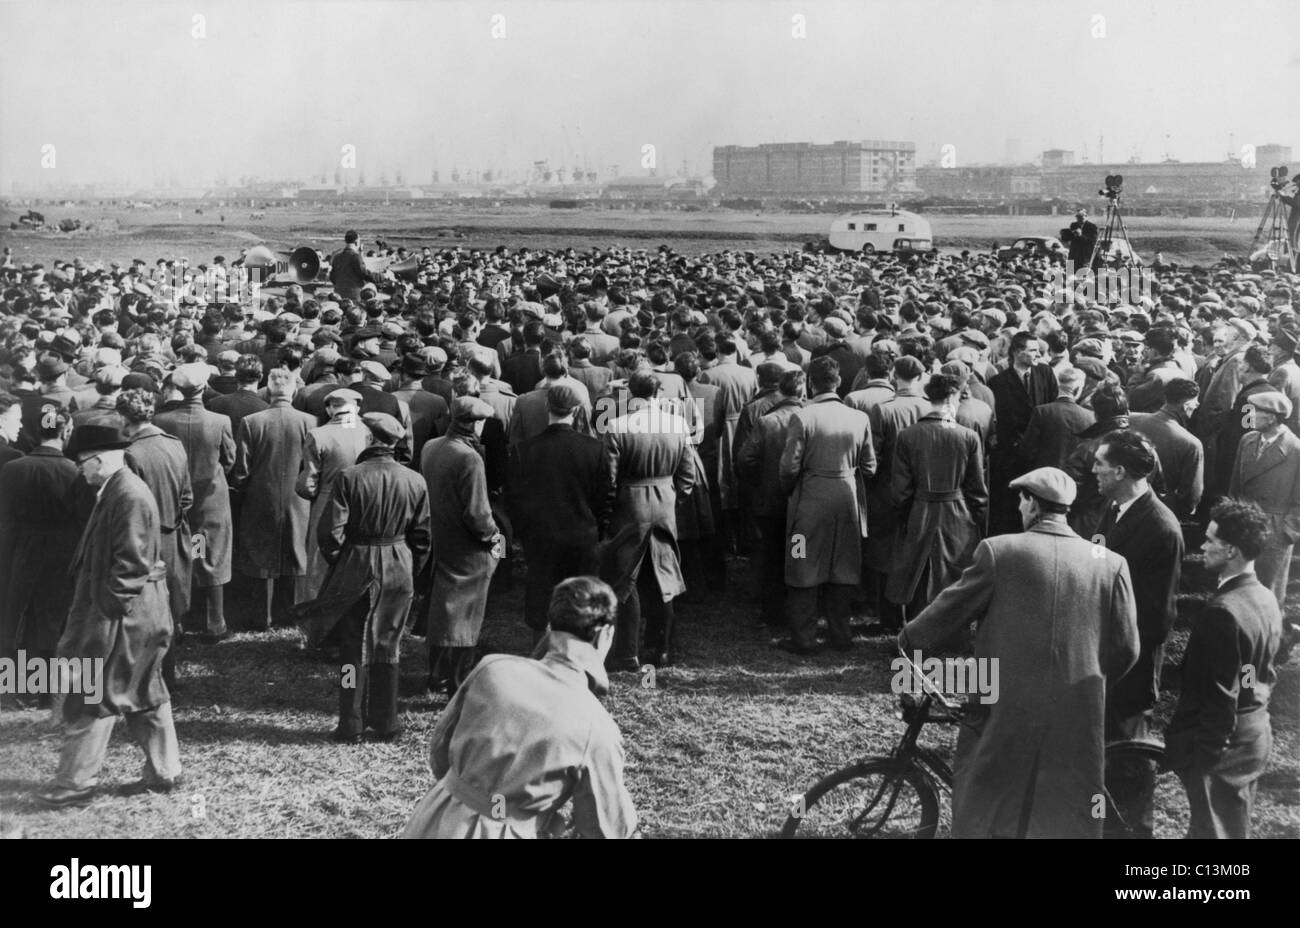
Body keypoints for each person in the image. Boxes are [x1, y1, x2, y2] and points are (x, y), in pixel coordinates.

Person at [898, 467, 1139, 838]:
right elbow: (1126, 649)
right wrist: (1086, 680)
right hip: (1077, 709)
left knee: (987, 804)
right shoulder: (1109, 563)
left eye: (1021, 500)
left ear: (1031, 504)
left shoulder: (999, 551)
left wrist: (909, 640)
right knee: (1063, 810)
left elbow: (947, 614)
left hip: (1002, 705)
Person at [399, 576, 637, 839]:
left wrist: (473, 797)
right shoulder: (597, 727)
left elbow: (440, 750)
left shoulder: (492, 668)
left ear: (549, 626)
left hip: (437, 817)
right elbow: (606, 829)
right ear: (605, 635)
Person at [36, 420, 181, 807]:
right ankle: (165, 771)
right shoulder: (119, 488)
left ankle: (74, 784)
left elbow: (130, 566)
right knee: (144, 691)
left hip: (124, 616)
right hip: (141, 613)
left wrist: (104, 615)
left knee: (92, 693)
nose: (79, 471)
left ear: (98, 459)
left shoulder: (127, 494)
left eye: (82, 464)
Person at [299, 412, 430, 742]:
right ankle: (386, 722)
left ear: (370, 439)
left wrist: (341, 562)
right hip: (399, 564)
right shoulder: (415, 480)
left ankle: (350, 722)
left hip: (357, 561)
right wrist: (409, 567)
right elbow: (423, 537)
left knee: (351, 649)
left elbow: (330, 532)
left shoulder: (349, 477)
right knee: (389, 644)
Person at [1164, 499, 1282, 838]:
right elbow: (1250, 674)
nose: (1202, 546)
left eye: (1210, 540)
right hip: (1254, 736)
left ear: (1230, 550)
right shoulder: (1264, 597)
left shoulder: (1223, 612)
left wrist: (1203, 759)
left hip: (1223, 751)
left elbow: (1221, 695)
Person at [1091, 429, 1183, 838]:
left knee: (1129, 767)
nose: (1093, 469)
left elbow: (1156, 618)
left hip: (1131, 666)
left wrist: (1115, 654)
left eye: (1100, 463)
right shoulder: (1114, 508)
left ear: (1121, 471)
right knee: (1105, 760)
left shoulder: (1160, 527)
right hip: (1107, 655)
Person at [776, 357, 876, 655]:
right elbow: (869, 466)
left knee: (799, 560)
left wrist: (791, 489)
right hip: (847, 501)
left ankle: (803, 637)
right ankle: (840, 633)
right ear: (838, 382)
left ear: (810, 383)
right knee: (843, 566)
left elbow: (788, 467)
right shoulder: (859, 418)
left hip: (808, 502)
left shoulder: (803, 417)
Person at [601, 370, 697, 669]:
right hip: (665, 501)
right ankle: (661, 648)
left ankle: (627, 651)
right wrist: (673, 498)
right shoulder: (678, 424)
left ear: (630, 393)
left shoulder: (617, 426)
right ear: (658, 394)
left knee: (626, 578)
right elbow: (687, 476)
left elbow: (609, 479)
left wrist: (609, 512)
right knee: (664, 576)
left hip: (630, 505)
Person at [0, 405, 90, 707]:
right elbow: (84, 520)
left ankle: (20, 687)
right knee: (57, 619)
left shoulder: (13, 468)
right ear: (65, 431)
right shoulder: (75, 473)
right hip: (64, 555)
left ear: (36, 431)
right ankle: (53, 691)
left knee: (20, 615)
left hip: (21, 551)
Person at [507, 384, 612, 641]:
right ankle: (579, 650)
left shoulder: (524, 450)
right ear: (576, 411)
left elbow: (514, 499)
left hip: (541, 536)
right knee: (582, 597)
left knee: (541, 594)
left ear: (547, 407)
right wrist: (597, 528)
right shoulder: (594, 449)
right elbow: (605, 497)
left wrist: (525, 532)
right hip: (581, 535)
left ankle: (542, 652)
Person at [886, 373, 987, 624]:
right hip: (957, 513)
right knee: (954, 572)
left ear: (929, 396)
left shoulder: (908, 435)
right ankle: (953, 633)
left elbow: (900, 490)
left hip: (920, 511)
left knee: (918, 575)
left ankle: (917, 631)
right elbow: (977, 489)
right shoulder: (967, 436)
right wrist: (979, 523)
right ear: (952, 396)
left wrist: (905, 517)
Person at [422, 397, 504, 695]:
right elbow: (478, 513)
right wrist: (495, 538)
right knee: (466, 616)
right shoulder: (469, 458)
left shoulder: (431, 446)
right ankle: (456, 681)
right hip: (469, 546)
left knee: (443, 608)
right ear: (477, 423)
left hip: (441, 538)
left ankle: (436, 673)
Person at [228, 369, 317, 629]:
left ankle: (261, 616)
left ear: (268, 389)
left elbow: (242, 469)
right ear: (294, 390)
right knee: (296, 550)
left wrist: (241, 489)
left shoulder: (251, 421)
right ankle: (290, 614)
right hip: (298, 497)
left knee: (261, 554)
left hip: (260, 494)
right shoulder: (310, 421)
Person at [153, 362, 234, 643]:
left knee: (181, 555)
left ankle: (178, 620)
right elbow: (230, 459)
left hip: (175, 497)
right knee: (211, 554)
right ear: (202, 388)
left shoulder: (161, 421)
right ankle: (215, 621)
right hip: (210, 497)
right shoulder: (219, 421)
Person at [736, 369, 806, 627]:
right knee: (799, 553)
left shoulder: (767, 421)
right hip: (801, 505)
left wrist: (760, 481)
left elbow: (745, 459)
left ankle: (772, 610)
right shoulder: (810, 418)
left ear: (781, 391)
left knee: (771, 554)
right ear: (801, 391)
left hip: (771, 501)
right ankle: (798, 606)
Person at [1227, 391, 1300, 630]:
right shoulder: (1247, 440)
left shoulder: (1296, 450)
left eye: (1256, 412)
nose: (1250, 415)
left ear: (1271, 418)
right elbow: (1235, 485)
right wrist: (1229, 516)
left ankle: (1268, 646)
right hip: (1244, 524)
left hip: (1274, 530)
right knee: (1238, 587)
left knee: (1267, 593)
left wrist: (1287, 531)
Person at [295, 389, 372, 601]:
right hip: (363, 501)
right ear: (356, 408)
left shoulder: (318, 434)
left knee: (320, 557)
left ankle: (315, 610)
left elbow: (307, 484)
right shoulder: (368, 432)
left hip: (327, 500)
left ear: (330, 409)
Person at [988, 331, 1059, 535]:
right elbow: (999, 421)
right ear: (1018, 352)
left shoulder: (1045, 373)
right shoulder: (998, 383)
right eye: (1033, 350)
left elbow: (1052, 407)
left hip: (1039, 453)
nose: (1038, 354)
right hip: (1012, 457)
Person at [1129, 378, 1204, 520]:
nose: (1198, 404)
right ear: (1186, 405)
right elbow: (1191, 495)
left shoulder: (1132, 419)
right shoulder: (1191, 444)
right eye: (1195, 401)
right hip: (1159, 512)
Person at [1019, 366, 1094, 469]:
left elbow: (1027, 451)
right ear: (1077, 390)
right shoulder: (1090, 417)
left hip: (1045, 476)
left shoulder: (1042, 412)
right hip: (1075, 480)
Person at [328, 230, 380, 302]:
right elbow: (364, 273)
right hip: (353, 295)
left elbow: (332, 277)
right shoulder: (355, 256)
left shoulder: (337, 257)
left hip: (338, 293)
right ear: (356, 242)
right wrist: (381, 277)